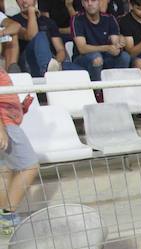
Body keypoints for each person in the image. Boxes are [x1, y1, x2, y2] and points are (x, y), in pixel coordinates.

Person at [0, 67, 38, 232]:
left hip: (7, 122)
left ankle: (3, 216)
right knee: (30, 166)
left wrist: (20, 108)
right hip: (4, 123)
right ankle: (7, 217)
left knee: (8, 170)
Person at [13, 0, 82, 77]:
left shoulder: (48, 21)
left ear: (35, 1)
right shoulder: (13, 21)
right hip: (29, 62)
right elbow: (32, 36)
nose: (24, 1)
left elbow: (60, 50)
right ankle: (47, 71)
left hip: (52, 60)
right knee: (40, 36)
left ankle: (50, 69)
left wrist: (55, 63)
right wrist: (31, 13)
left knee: (81, 72)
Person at [70, 0, 131, 81]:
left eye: (93, 0)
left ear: (99, 2)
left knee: (125, 57)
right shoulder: (77, 19)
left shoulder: (109, 18)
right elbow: (82, 48)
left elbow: (115, 41)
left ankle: (116, 88)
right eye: (86, 1)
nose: (90, 3)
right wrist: (107, 48)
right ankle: (97, 91)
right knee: (96, 58)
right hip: (83, 59)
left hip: (106, 57)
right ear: (82, 3)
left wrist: (118, 45)